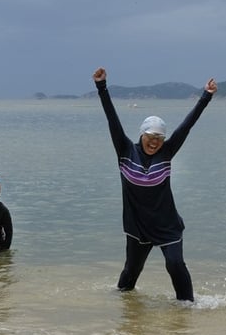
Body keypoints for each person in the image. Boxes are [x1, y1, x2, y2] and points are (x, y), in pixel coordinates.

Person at [92, 67, 218, 301]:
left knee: (175, 264)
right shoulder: (125, 151)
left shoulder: (167, 152)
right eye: (151, 136)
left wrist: (206, 96)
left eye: (159, 138)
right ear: (142, 134)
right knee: (131, 272)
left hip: (166, 225)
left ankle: (187, 309)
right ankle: (124, 307)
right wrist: (102, 87)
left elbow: (186, 126)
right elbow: (112, 119)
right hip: (138, 227)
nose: (154, 142)